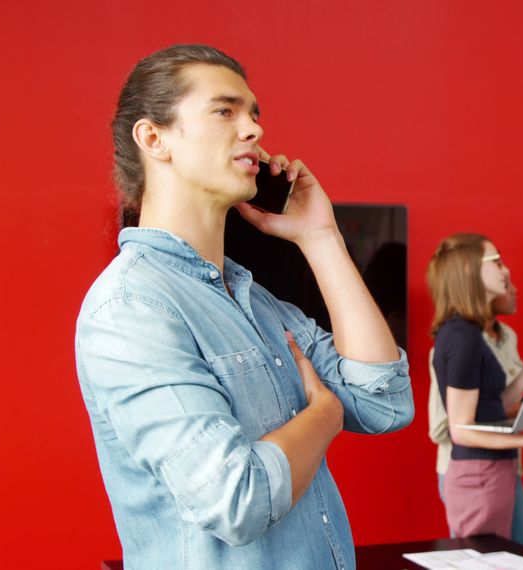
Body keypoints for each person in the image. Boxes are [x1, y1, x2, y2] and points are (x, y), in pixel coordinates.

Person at [75, 44, 414, 569]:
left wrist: (321, 237)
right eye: (225, 110)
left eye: (254, 114)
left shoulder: (258, 303)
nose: (254, 129)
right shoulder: (132, 307)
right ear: (153, 138)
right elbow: (236, 499)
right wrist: (323, 417)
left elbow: (384, 402)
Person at [427, 233, 523, 539]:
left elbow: (491, 408)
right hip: (480, 476)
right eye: (497, 261)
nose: (506, 271)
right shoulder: (462, 337)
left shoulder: (470, 334)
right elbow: (461, 429)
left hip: (492, 472)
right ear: (468, 271)